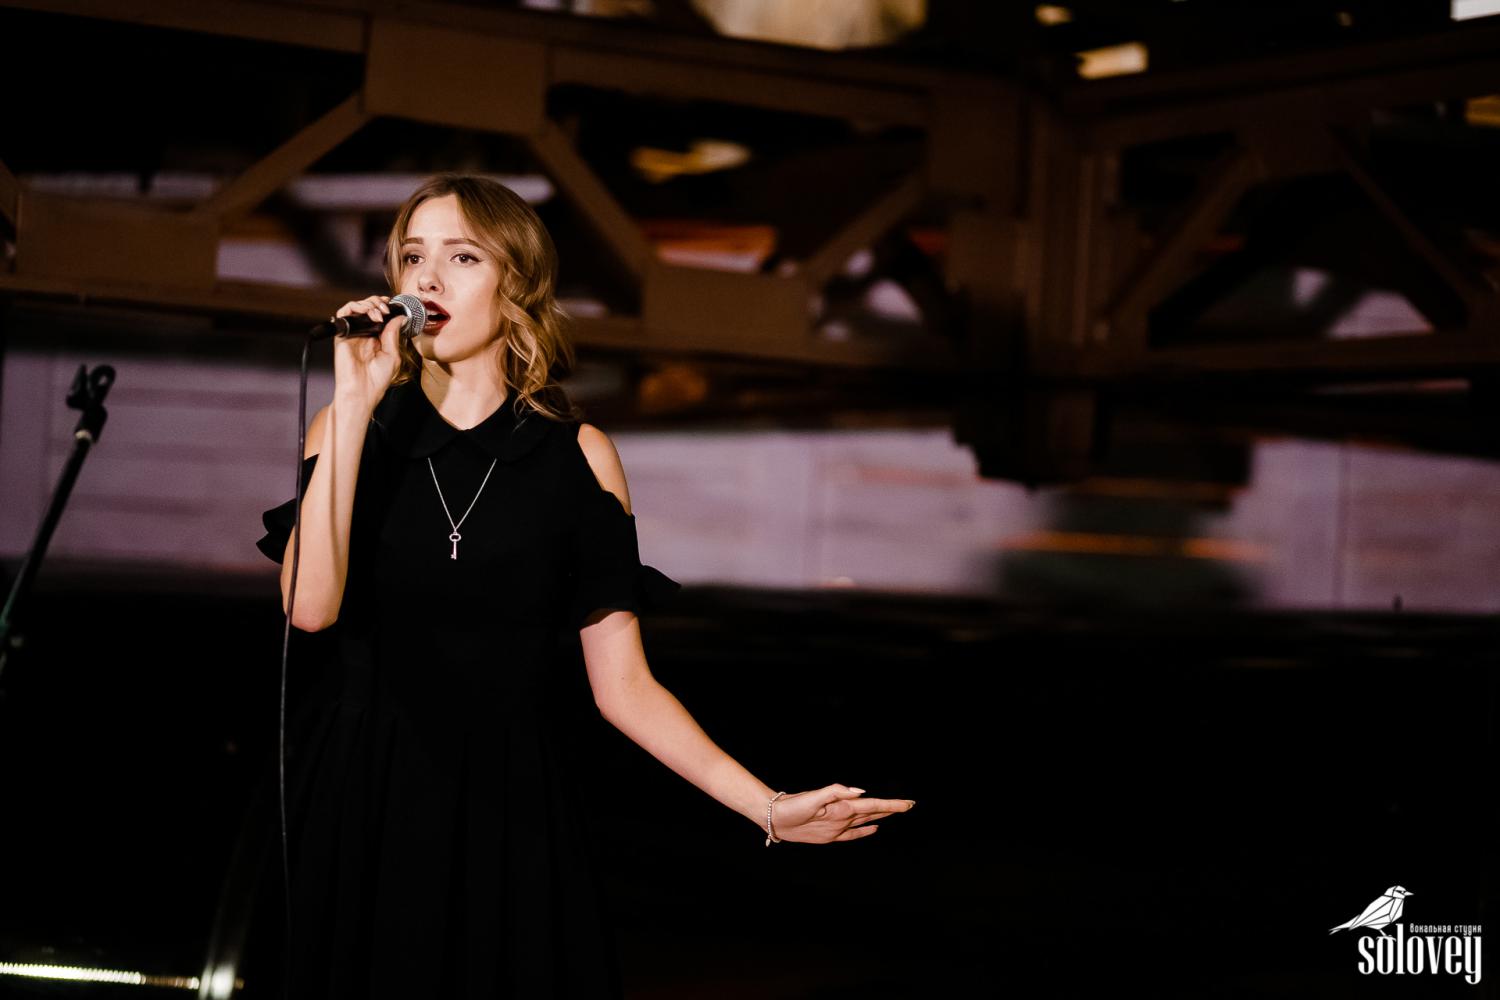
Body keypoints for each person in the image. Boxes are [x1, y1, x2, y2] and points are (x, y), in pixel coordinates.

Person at [255, 173, 915, 998]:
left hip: (509, 809)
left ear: (516, 284)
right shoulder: (348, 430)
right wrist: (355, 402)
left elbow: (624, 687)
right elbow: (309, 609)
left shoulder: (578, 458)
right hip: (364, 799)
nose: (428, 279)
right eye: (413, 257)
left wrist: (768, 808)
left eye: (462, 257)